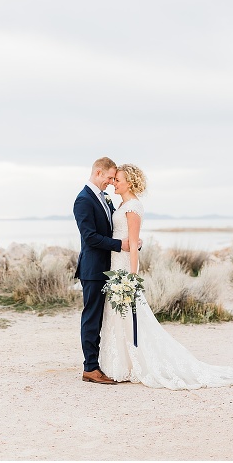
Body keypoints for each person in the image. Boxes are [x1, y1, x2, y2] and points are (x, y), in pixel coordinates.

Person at [98, 163, 233, 390]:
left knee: (128, 316)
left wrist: (132, 277)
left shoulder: (133, 207)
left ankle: (131, 364)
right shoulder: (121, 204)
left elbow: (134, 246)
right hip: (114, 265)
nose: (114, 183)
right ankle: (120, 364)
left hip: (123, 271)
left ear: (129, 182)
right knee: (117, 317)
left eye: (117, 180)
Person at [73, 157, 131, 385]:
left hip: (109, 268)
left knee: (106, 318)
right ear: (98, 173)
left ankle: (102, 363)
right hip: (93, 269)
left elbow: (113, 229)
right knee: (92, 318)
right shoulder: (83, 200)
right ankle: (90, 368)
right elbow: (90, 237)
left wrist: (132, 241)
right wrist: (120, 245)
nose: (110, 182)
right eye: (109, 178)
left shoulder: (104, 198)